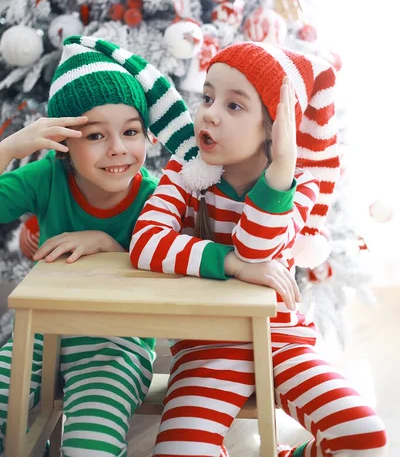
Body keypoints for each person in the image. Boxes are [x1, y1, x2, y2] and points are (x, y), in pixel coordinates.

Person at [130, 43, 387, 457]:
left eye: (234, 106)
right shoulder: (186, 172)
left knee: (364, 436)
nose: (209, 113)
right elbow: (146, 243)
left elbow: (257, 248)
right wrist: (228, 263)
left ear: (273, 127)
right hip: (207, 346)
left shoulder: (298, 186)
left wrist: (281, 170)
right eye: (208, 97)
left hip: (281, 340)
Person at [0, 35, 200, 457]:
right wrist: (11, 147)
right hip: (40, 334)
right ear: (63, 143)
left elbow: (182, 267)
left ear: (148, 137)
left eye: (131, 131)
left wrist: (109, 244)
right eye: (94, 136)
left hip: (117, 345)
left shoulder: (157, 196)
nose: (117, 149)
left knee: (88, 446)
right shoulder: (46, 177)